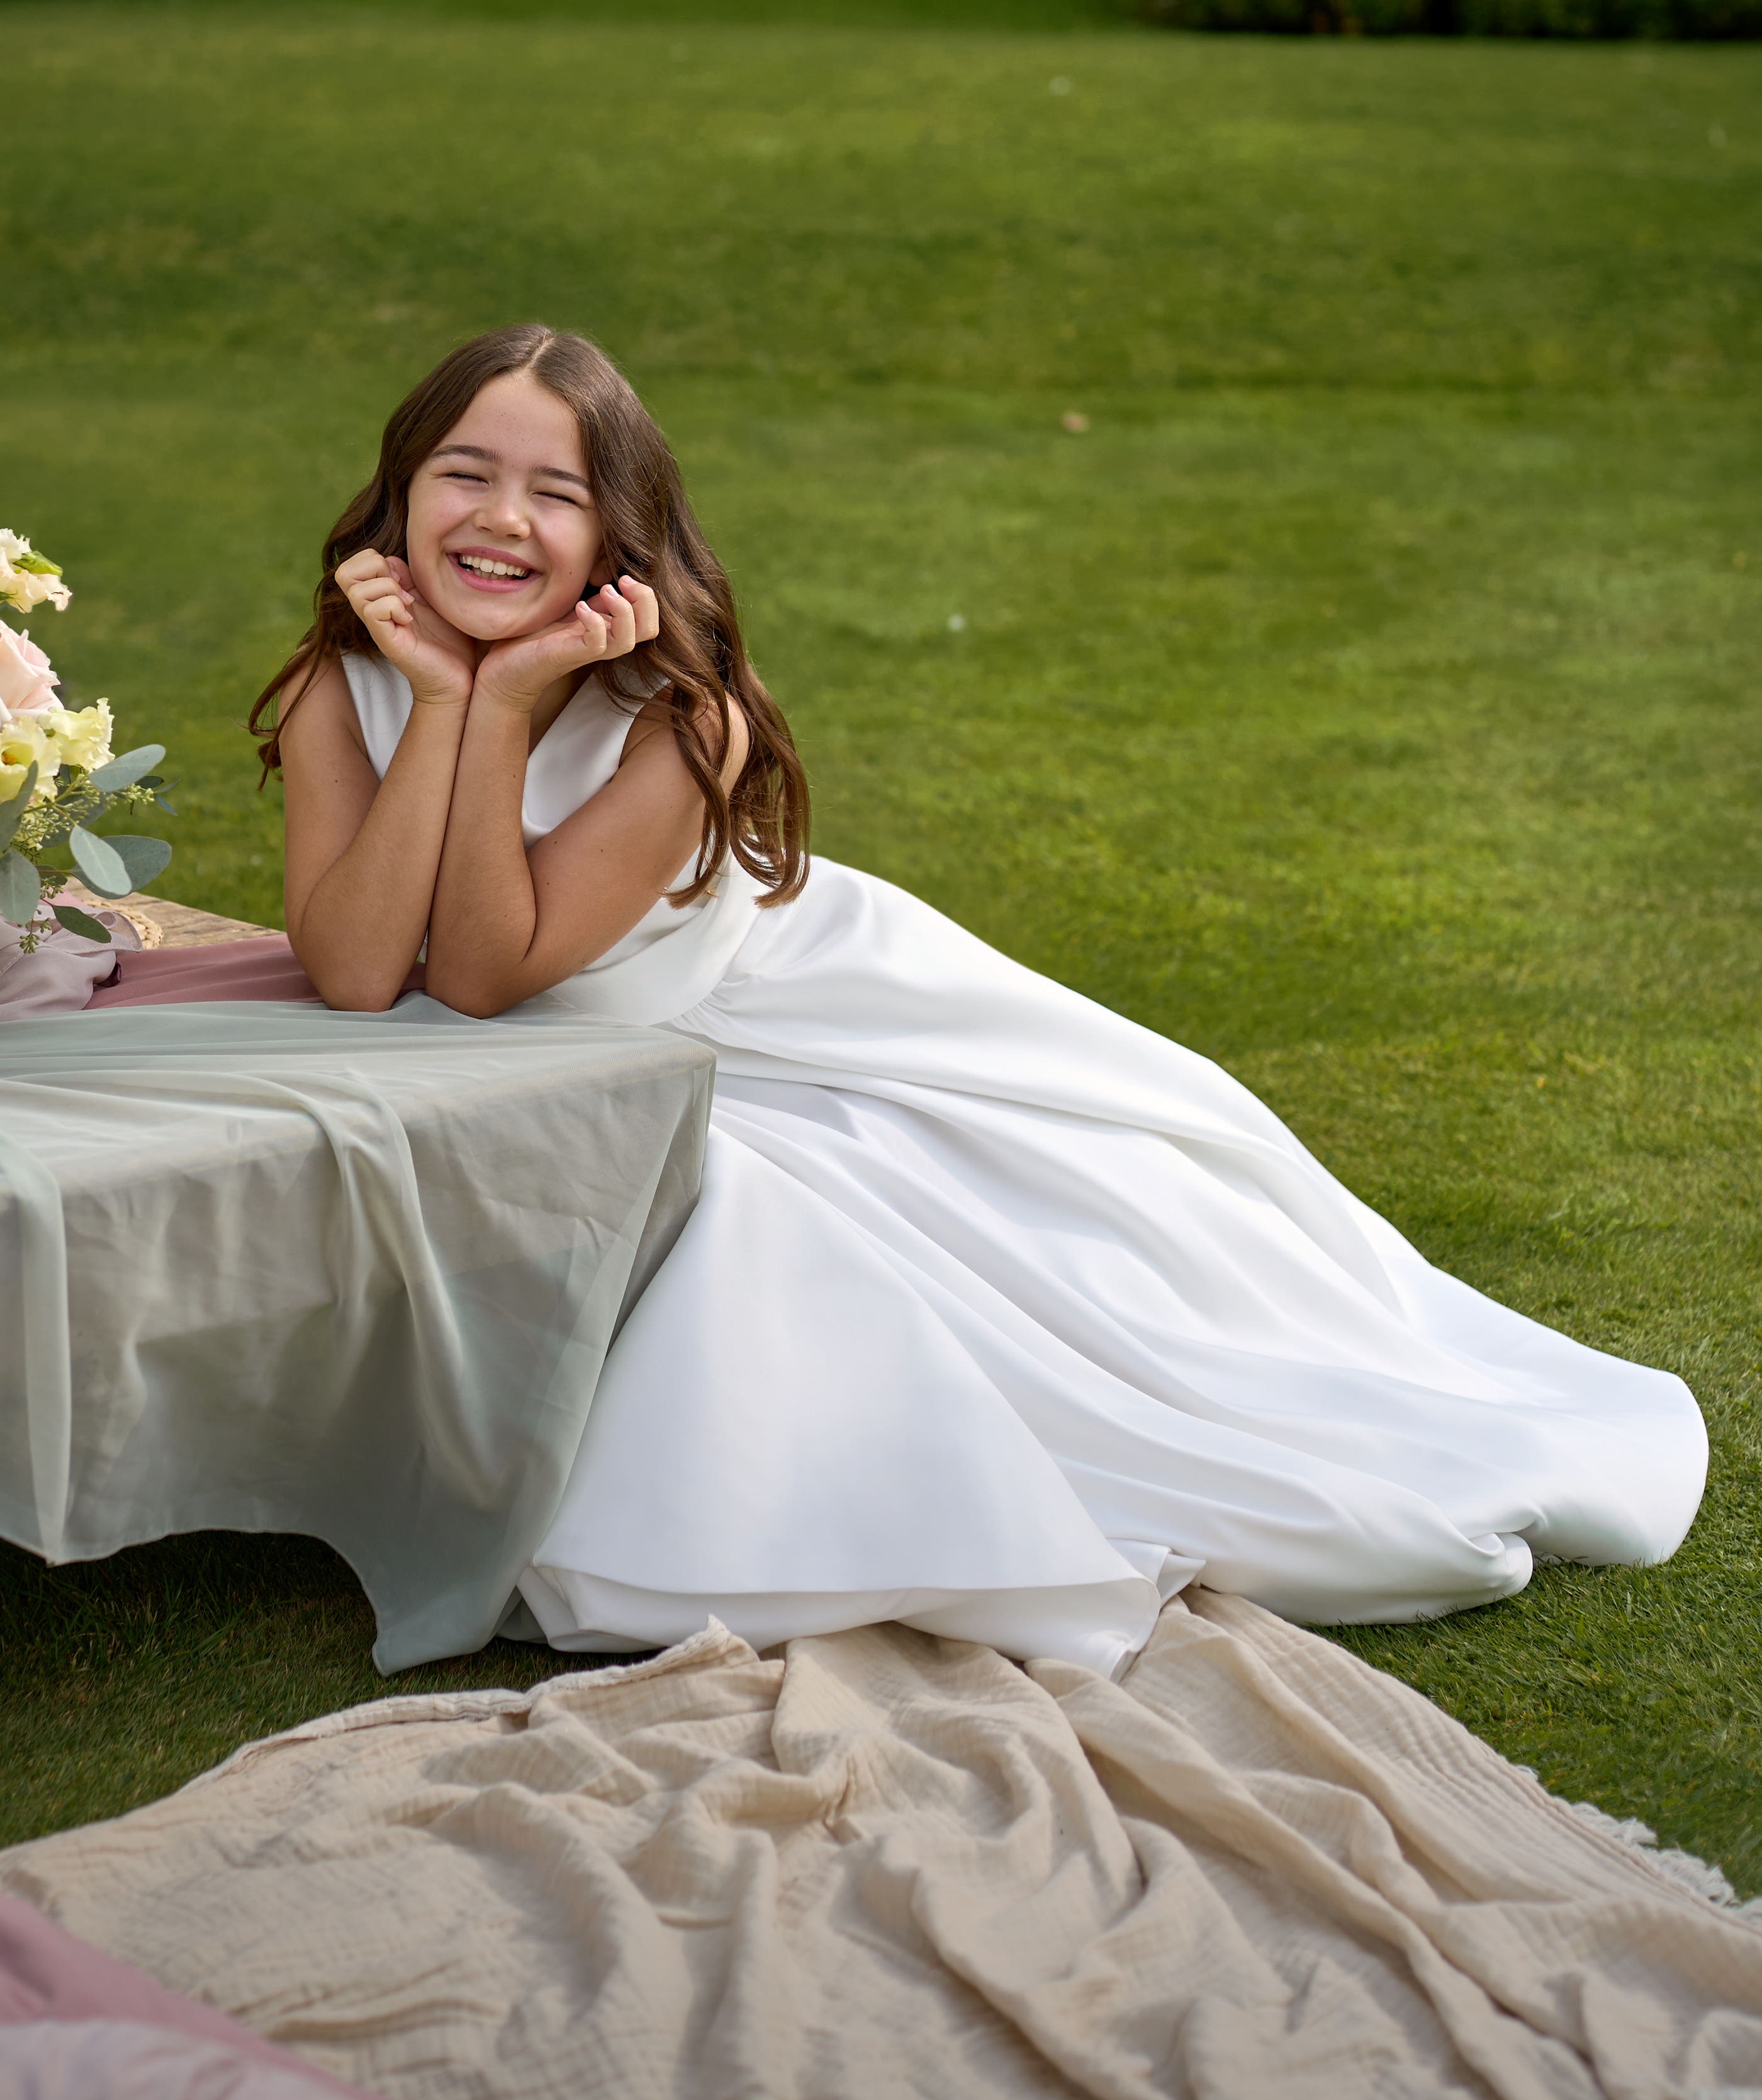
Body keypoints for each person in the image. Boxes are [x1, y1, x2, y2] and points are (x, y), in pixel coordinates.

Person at [256, 323, 1706, 1678]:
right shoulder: (355, 680)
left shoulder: (684, 712)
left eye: (556, 494)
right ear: (401, 494)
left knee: (1051, 1274)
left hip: (769, 1019)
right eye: (465, 474)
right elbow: (362, 972)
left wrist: (500, 704)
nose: (502, 519)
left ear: (617, 539)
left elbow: (484, 974)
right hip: (566, 1042)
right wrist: (437, 700)